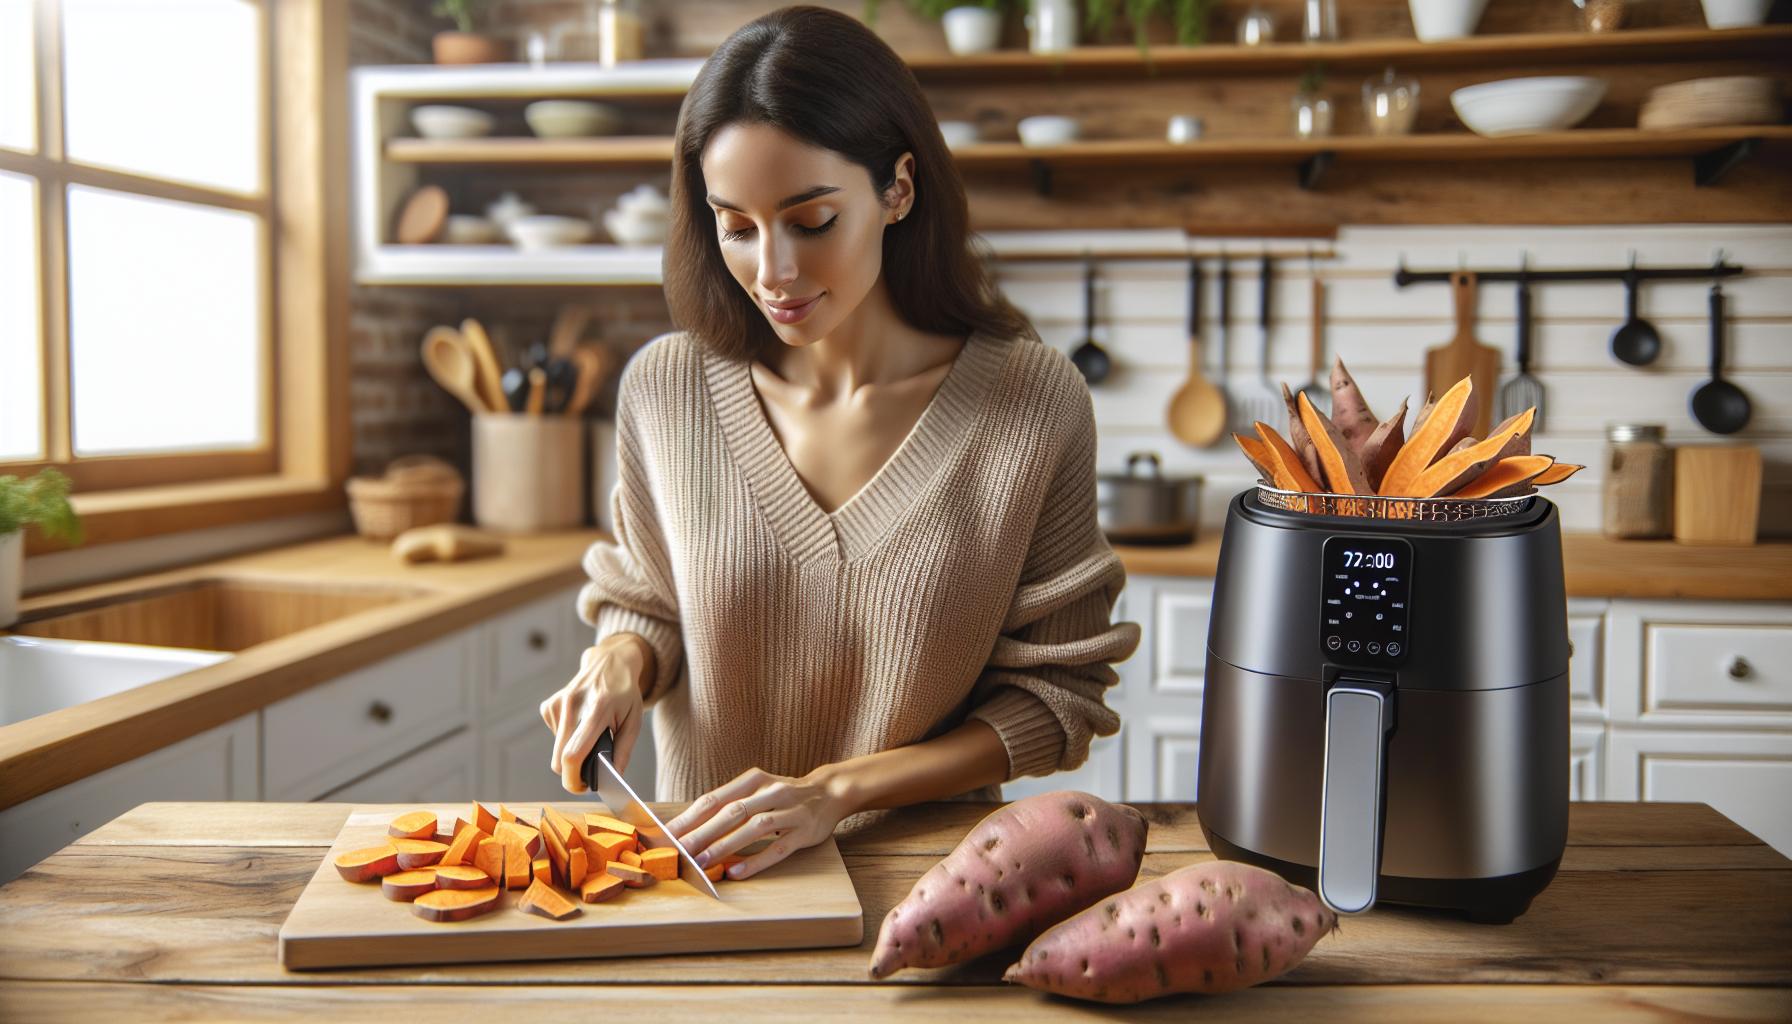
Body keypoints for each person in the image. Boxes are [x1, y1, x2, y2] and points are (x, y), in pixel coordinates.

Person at [540, 5, 1139, 882]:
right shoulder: (666, 391)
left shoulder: (1032, 402)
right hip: (705, 882)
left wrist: (836, 792)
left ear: (898, 188)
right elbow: (655, 602)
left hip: (935, 885)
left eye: (811, 220)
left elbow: (1057, 702)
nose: (773, 273)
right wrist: (620, 660)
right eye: (736, 226)